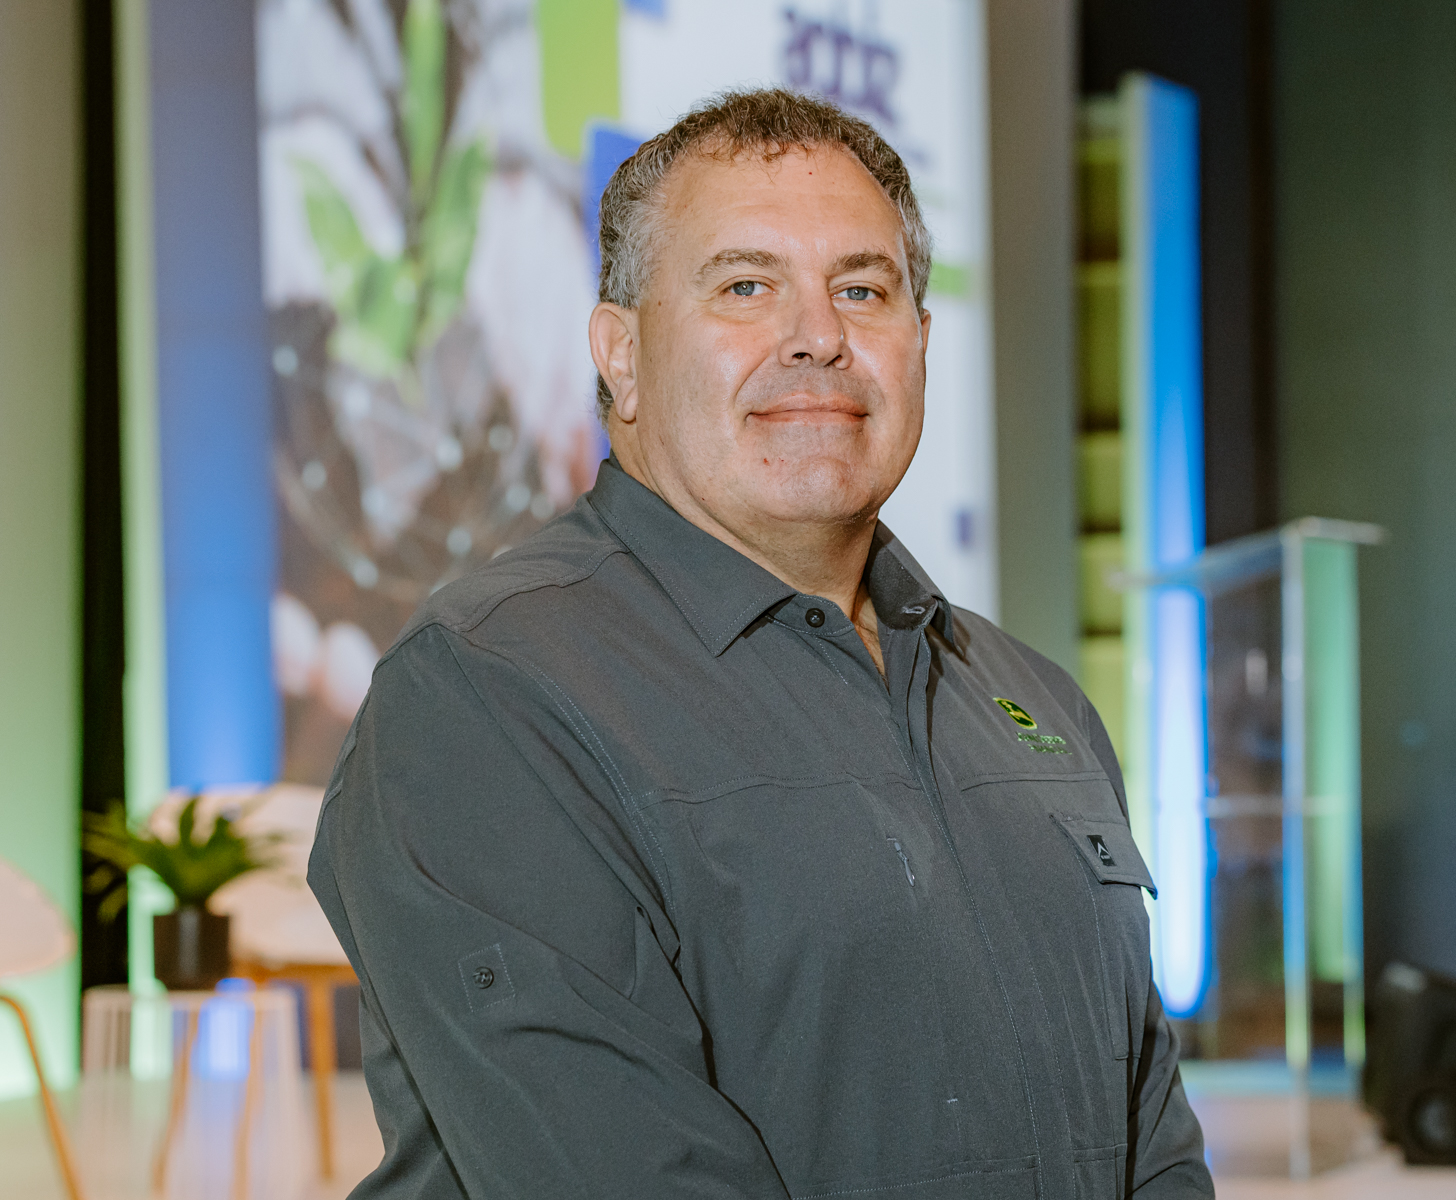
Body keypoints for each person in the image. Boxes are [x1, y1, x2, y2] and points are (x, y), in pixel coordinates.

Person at [309, 87, 1212, 1199]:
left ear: (920, 345)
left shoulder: (1034, 701)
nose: (820, 338)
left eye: (863, 290)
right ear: (620, 355)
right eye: (746, 286)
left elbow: (1153, 1137)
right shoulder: (486, 695)